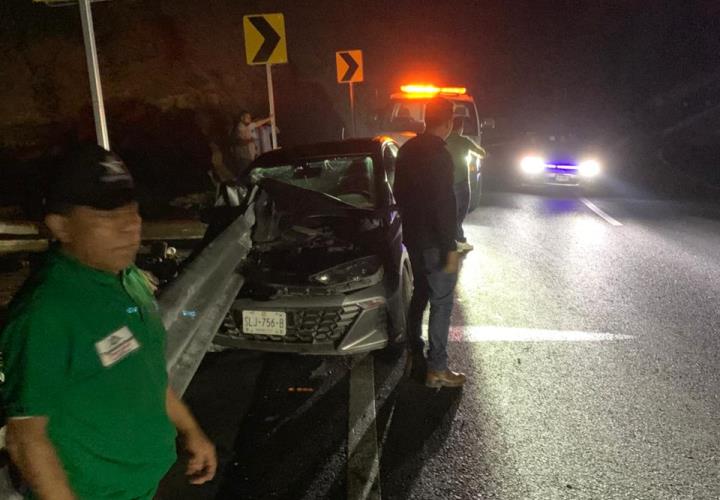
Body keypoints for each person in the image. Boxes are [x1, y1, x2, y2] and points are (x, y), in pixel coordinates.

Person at [0, 144, 217, 499]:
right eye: (107, 217)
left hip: (146, 481)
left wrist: (191, 431)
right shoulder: (46, 313)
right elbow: (27, 439)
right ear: (61, 227)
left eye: (132, 212)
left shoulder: (127, 280)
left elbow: (146, 374)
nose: (131, 227)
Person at [394, 97, 466, 388]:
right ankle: (437, 368)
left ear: (426, 119)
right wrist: (451, 246)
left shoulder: (407, 150)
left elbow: (398, 193)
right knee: (442, 302)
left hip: (413, 237)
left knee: (420, 294)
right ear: (448, 123)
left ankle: (414, 352)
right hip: (435, 241)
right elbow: (443, 205)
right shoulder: (440, 155)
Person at [445, 117, 486, 252]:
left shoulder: (443, 140)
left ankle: (454, 238)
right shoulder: (464, 141)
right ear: (461, 128)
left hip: (446, 183)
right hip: (461, 183)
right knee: (461, 211)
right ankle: (458, 240)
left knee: (450, 212)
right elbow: (482, 153)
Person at [232, 111, 272, 177]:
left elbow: (257, 123)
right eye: (247, 117)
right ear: (242, 118)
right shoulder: (239, 128)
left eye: (250, 117)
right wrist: (250, 140)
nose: (250, 119)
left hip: (250, 156)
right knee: (244, 173)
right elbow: (238, 142)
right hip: (243, 157)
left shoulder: (249, 126)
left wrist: (269, 118)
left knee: (250, 174)